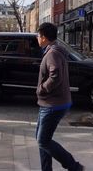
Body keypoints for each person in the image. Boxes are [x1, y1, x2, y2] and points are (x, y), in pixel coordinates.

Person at [35, 22, 84, 171]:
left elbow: (55, 76)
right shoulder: (54, 50)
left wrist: (42, 89)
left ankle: (74, 166)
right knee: (41, 139)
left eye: (38, 35)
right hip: (51, 102)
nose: (37, 38)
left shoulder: (53, 53)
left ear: (44, 37)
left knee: (43, 141)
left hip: (53, 104)